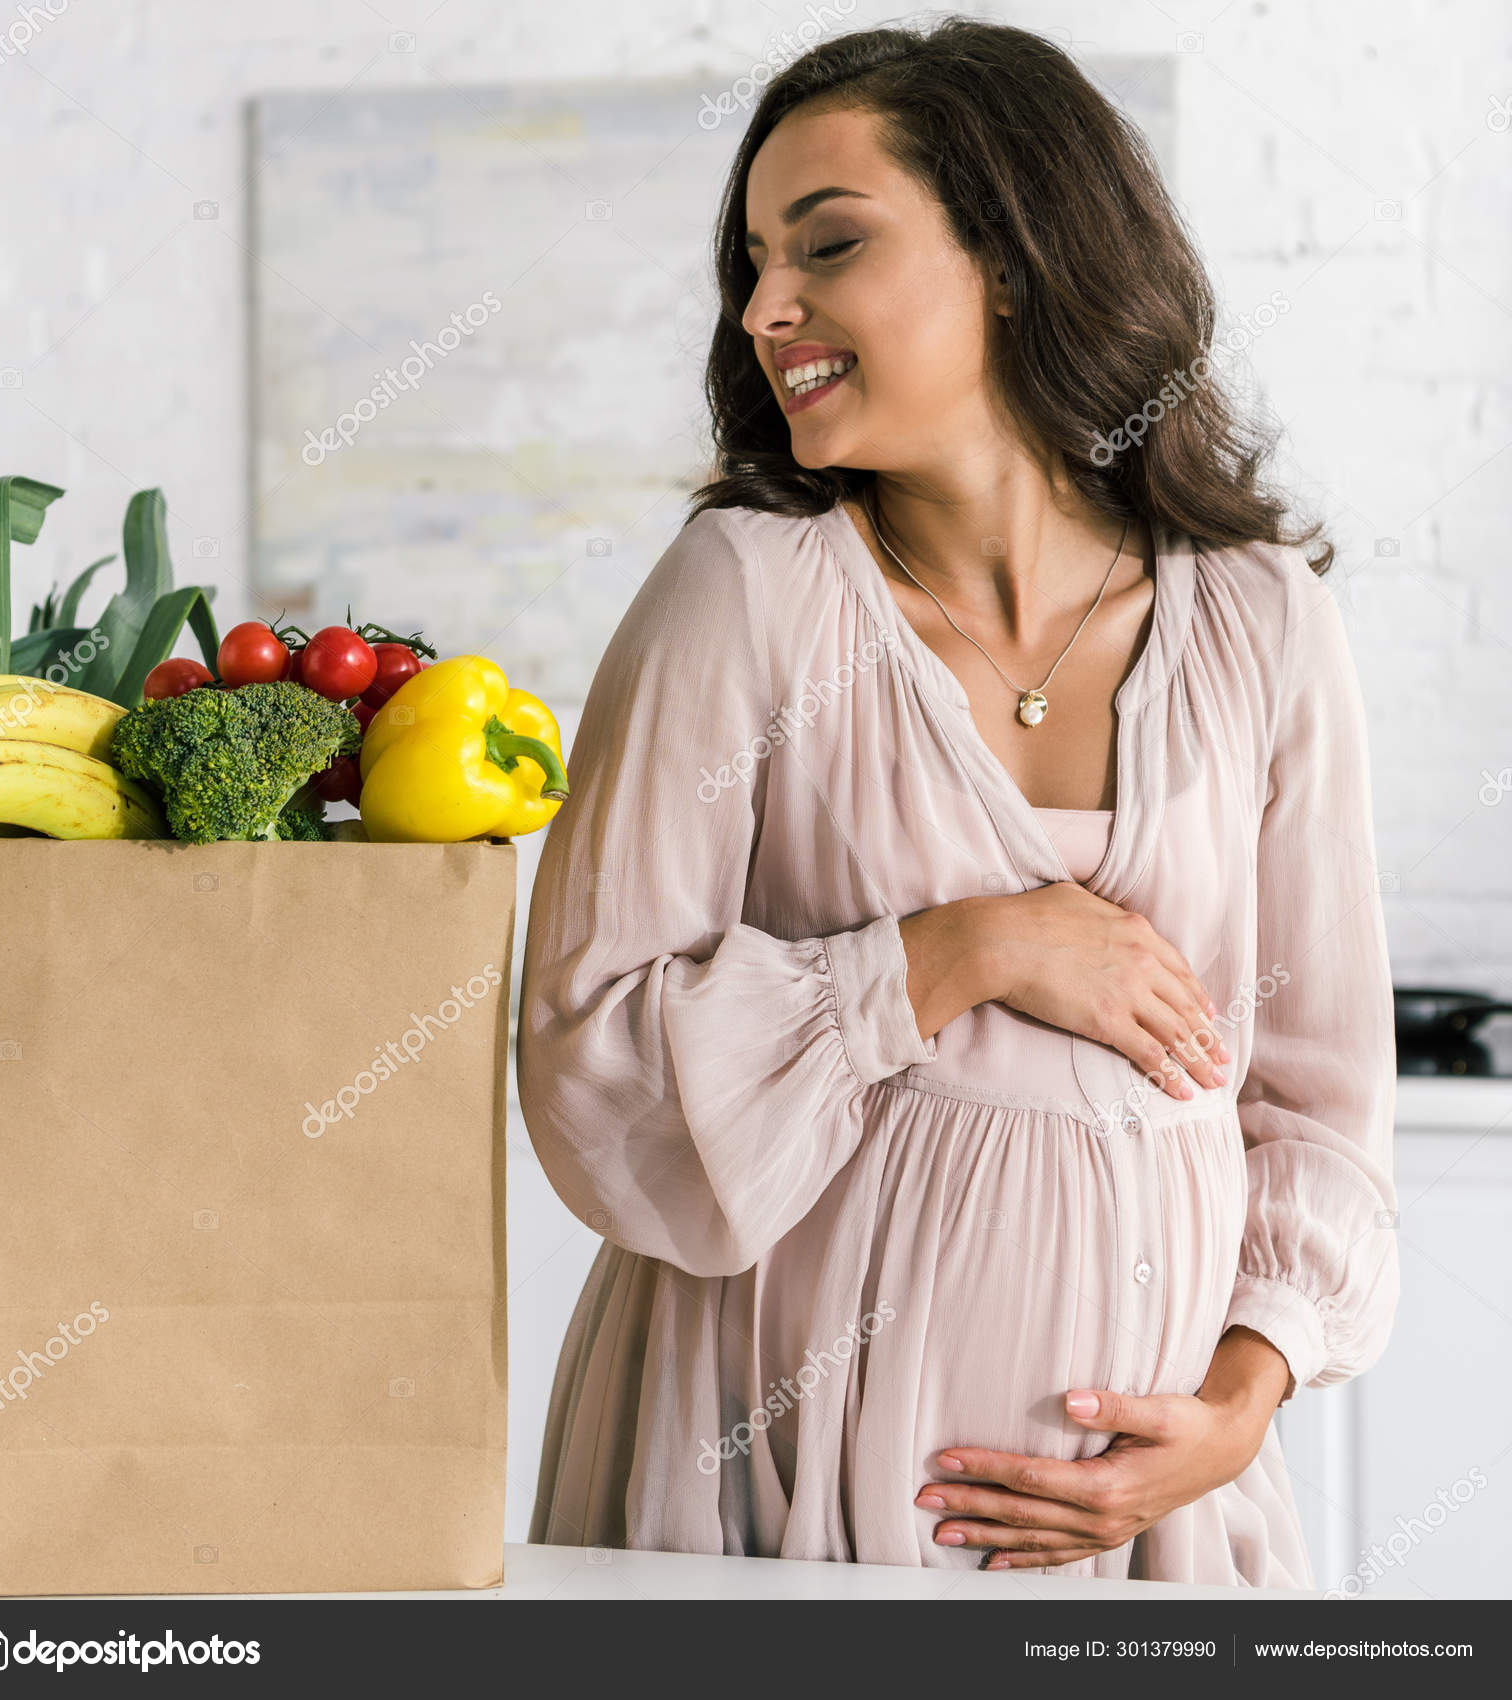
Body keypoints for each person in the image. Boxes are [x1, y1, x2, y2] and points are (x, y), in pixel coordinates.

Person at [515, 18, 1397, 1585]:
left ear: (1012, 254)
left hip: (1152, 1530)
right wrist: (961, 949)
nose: (765, 306)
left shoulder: (1263, 621)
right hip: (762, 1479)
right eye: (751, 264)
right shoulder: (744, 595)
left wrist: (1236, 1410)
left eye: (829, 245)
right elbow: (593, 1062)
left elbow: (1323, 1101)